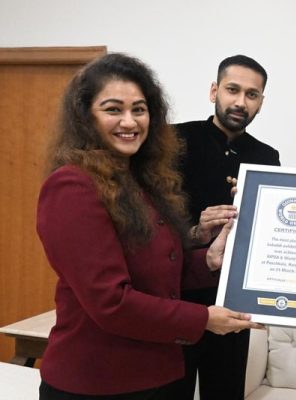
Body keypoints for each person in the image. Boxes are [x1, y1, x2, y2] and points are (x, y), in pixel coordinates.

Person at [36, 53, 261, 400]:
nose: (129, 121)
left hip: (157, 376)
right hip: (98, 383)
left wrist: (209, 261)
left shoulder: (141, 180)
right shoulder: (72, 186)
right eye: (113, 109)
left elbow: (160, 270)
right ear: (85, 115)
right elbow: (111, 302)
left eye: (139, 109)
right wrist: (203, 319)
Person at [173, 55, 280, 400]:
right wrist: (196, 230)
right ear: (214, 91)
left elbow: (271, 233)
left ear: (261, 102)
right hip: (177, 297)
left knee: (227, 391)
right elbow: (151, 225)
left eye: (252, 94)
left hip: (234, 298)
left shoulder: (267, 157)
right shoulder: (174, 141)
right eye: (232, 90)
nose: (240, 102)